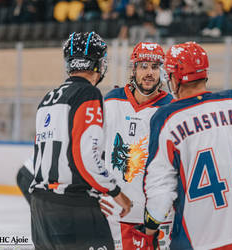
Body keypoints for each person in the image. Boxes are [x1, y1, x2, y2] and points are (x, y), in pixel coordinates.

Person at [132, 42, 232, 250]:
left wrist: (149, 231)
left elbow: (160, 193)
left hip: (197, 240)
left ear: (174, 78)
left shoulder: (167, 118)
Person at [29, 31, 131, 250]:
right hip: (73, 208)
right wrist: (115, 193)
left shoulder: (48, 97)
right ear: (99, 63)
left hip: (41, 208)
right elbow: (85, 156)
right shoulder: (87, 94)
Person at [100, 42, 173, 249]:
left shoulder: (171, 108)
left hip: (157, 217)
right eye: (143, 66)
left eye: (155, 67)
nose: (149, 73)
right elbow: (93, 152)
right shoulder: (112, 101)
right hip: (116, 214)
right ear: (133, 69)